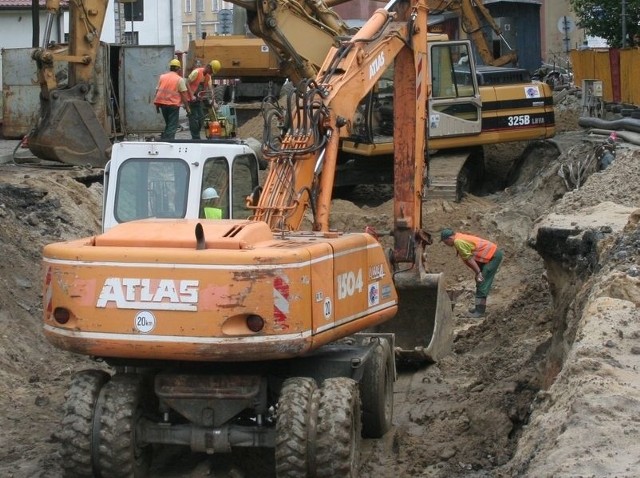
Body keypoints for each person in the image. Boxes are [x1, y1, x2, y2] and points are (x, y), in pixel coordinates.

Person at [440, 228, 503, 317]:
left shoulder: (458, 242)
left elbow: (469, 259)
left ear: (450, 238)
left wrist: (478, 272)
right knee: (479, 280)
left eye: (445, 242)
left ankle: (479, 312)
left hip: (493, 257)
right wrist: (477, 272)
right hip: (489, 256)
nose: (446, 244)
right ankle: (478, 308)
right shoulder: (459, 237)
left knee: (482, 281)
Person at [154, 59, 191, 140]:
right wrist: (187, 108)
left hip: (162, 105)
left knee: (168, 124)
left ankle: (165, 139)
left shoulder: (162, 77)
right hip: (173, 105)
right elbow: (184, 95)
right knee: (172, 126)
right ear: (178, 69)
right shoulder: (179, 79)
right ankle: (169, 142)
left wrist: (156, 105)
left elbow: (157, 91)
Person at [187, 60, 222, 139]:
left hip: (199, 100)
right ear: (209, 67)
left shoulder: (208, 77)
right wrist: (192, 95)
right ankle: (195, 138)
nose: (212, 73)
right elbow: (187, 83)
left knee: (201, 118)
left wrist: (214, 101)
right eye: (212, 71)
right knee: (194, 120)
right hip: (190, 100)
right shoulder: (196, 72)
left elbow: (210, 88)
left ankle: (196, 135)